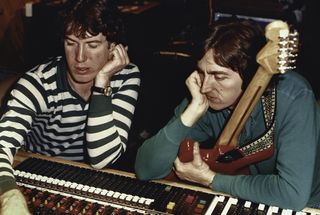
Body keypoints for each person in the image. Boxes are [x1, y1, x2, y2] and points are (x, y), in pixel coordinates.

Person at [135, 19, 320, 211]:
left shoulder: (294, 97)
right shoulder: (205, 96)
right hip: (251, 196)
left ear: (249, 76)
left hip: (311, 204)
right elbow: (145, 169)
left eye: (219, 76)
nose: (206, 87)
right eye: (201, 72)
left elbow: (292, 195)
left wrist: (211, 179)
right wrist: (188, 116)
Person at [0, 0, 140, 214]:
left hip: (92, 179)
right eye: (71, 43)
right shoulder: (37, 83)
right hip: (38, 174)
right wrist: (9, 195)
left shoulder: (127, 76)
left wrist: (102, 83)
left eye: (92, 45)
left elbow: (102, 159)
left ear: (113, 47)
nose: (80, 57)